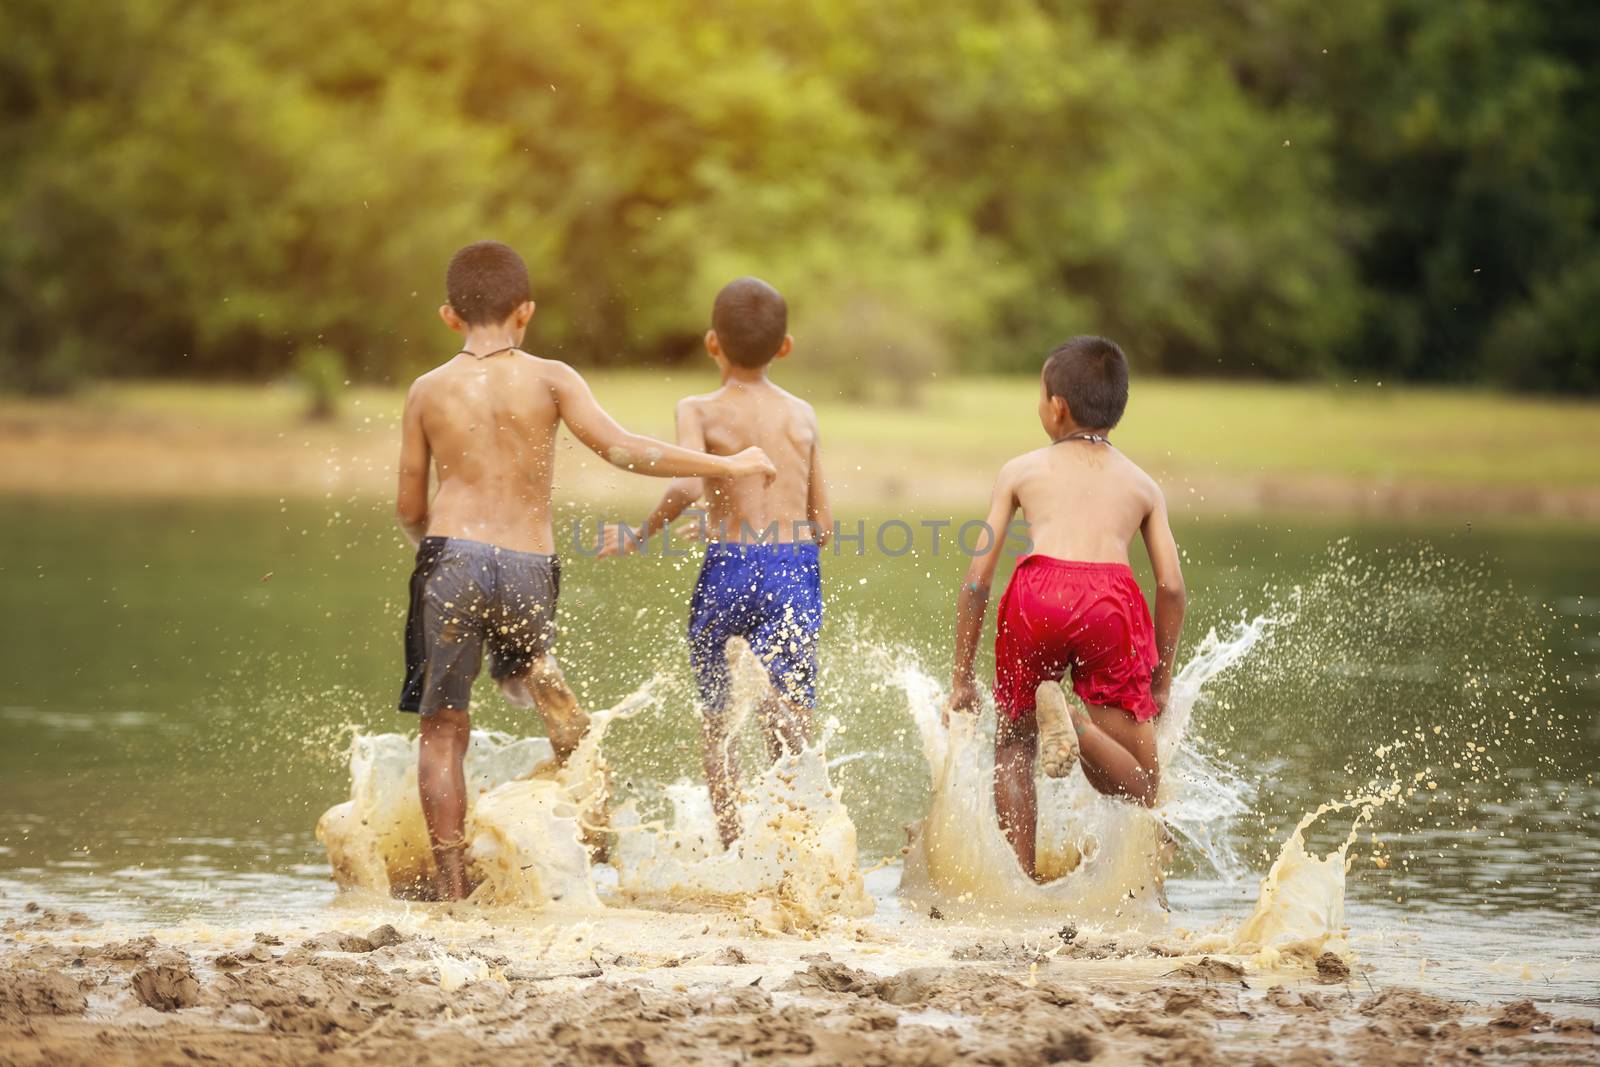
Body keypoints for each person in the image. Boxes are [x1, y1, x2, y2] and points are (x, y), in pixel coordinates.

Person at [396, 242, 776, 900]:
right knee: (528, 672)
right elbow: (625, 449)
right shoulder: (551, 378)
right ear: (526, 312)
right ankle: (585, 825)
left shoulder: (427, 390)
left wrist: (433, 552)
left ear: (449, 317)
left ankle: (454, 888)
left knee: (442, 729)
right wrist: (729, 465)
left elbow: (409, 507)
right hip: (527, 564)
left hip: (450, 557)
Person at [598, 277, 831, 847]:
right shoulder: (803, 415)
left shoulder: (699, 408)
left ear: (711, 343)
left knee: (719, 716)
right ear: (786, 347)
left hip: (727, 568)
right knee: (790, 709)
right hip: (791, 569)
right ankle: (790, 837)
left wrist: (641, 533)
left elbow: (685, 486)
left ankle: (730, 845)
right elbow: (823, 525)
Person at [946, 335, 1185, 880]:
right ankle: (1079, 723)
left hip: (1038, 591)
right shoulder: (1143, 485)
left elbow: (977, 580)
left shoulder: (1021, 470)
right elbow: (1171, 587)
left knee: (1013, 740)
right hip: (1110, 600)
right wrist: (1161, 680)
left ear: (1056, 407)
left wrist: (961, 676)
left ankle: (1022, 883)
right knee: (1141, 787)